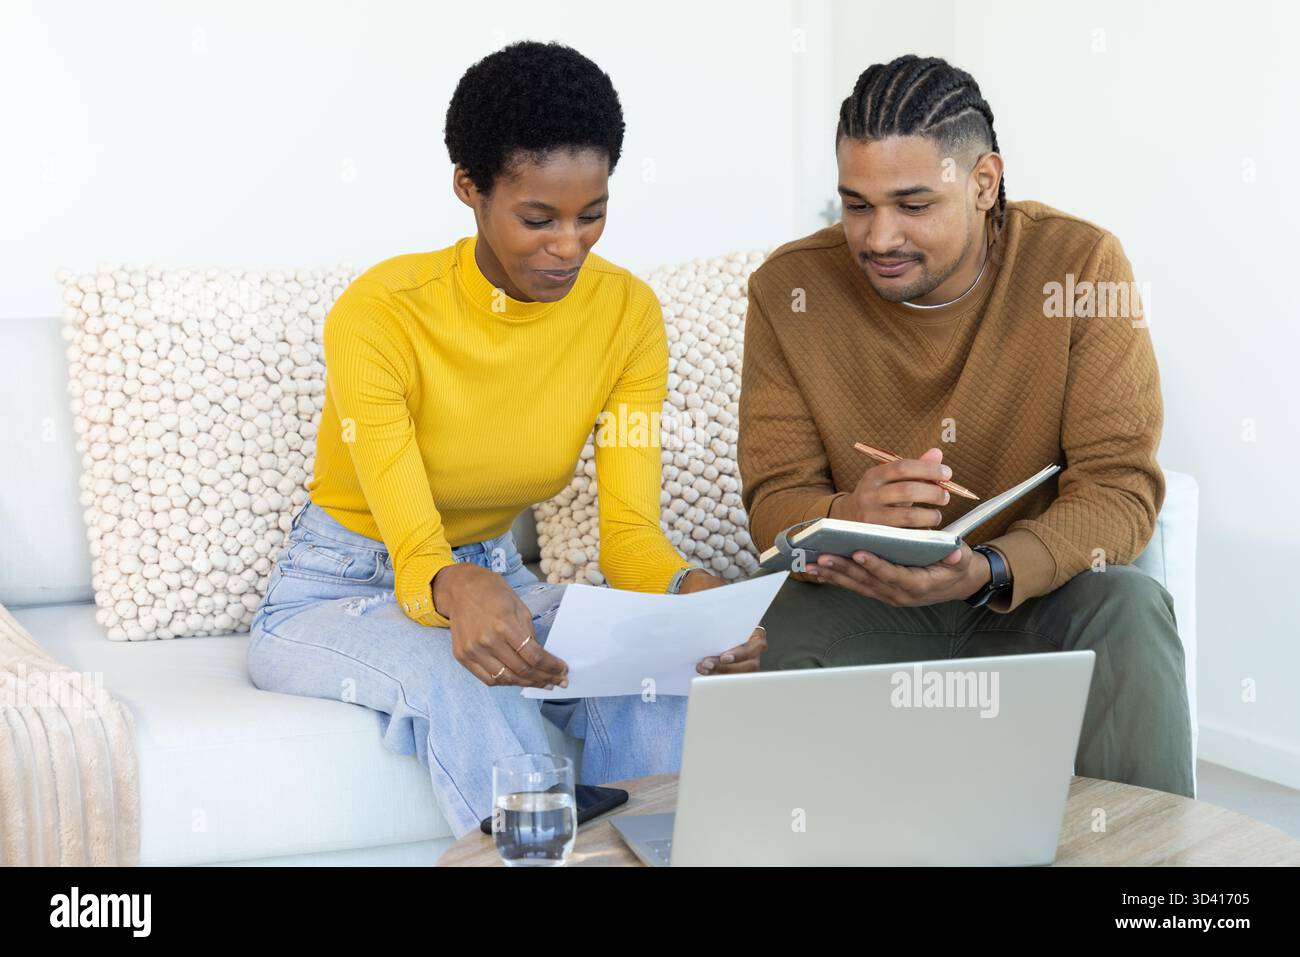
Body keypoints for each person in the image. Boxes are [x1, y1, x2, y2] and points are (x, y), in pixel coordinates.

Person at [248, 40, 764, 838]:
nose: (569, 246)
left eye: (591, 214)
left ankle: (667, 853)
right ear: (470, 188)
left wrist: (691, 600)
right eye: (538, 217)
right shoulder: (381, 312)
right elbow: (419, 553)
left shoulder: (627, 315)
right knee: (457, 674)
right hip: (336, 588)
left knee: (657, 666)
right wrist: (455, 588)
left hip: (495, 575)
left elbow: (628, 536)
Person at [738, 55, 1193, 797]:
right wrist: (851, 512)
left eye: (912, 204)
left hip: (1034, 594)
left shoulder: (1080, 264)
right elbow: (774, 501)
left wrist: (991, 569)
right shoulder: (789, 289)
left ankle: (1152, 882)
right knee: (780, 633)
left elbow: (1120, 486)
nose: (878, 237)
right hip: (868, 599)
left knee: (1133, 609)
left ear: (983, 183)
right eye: (856, 204)